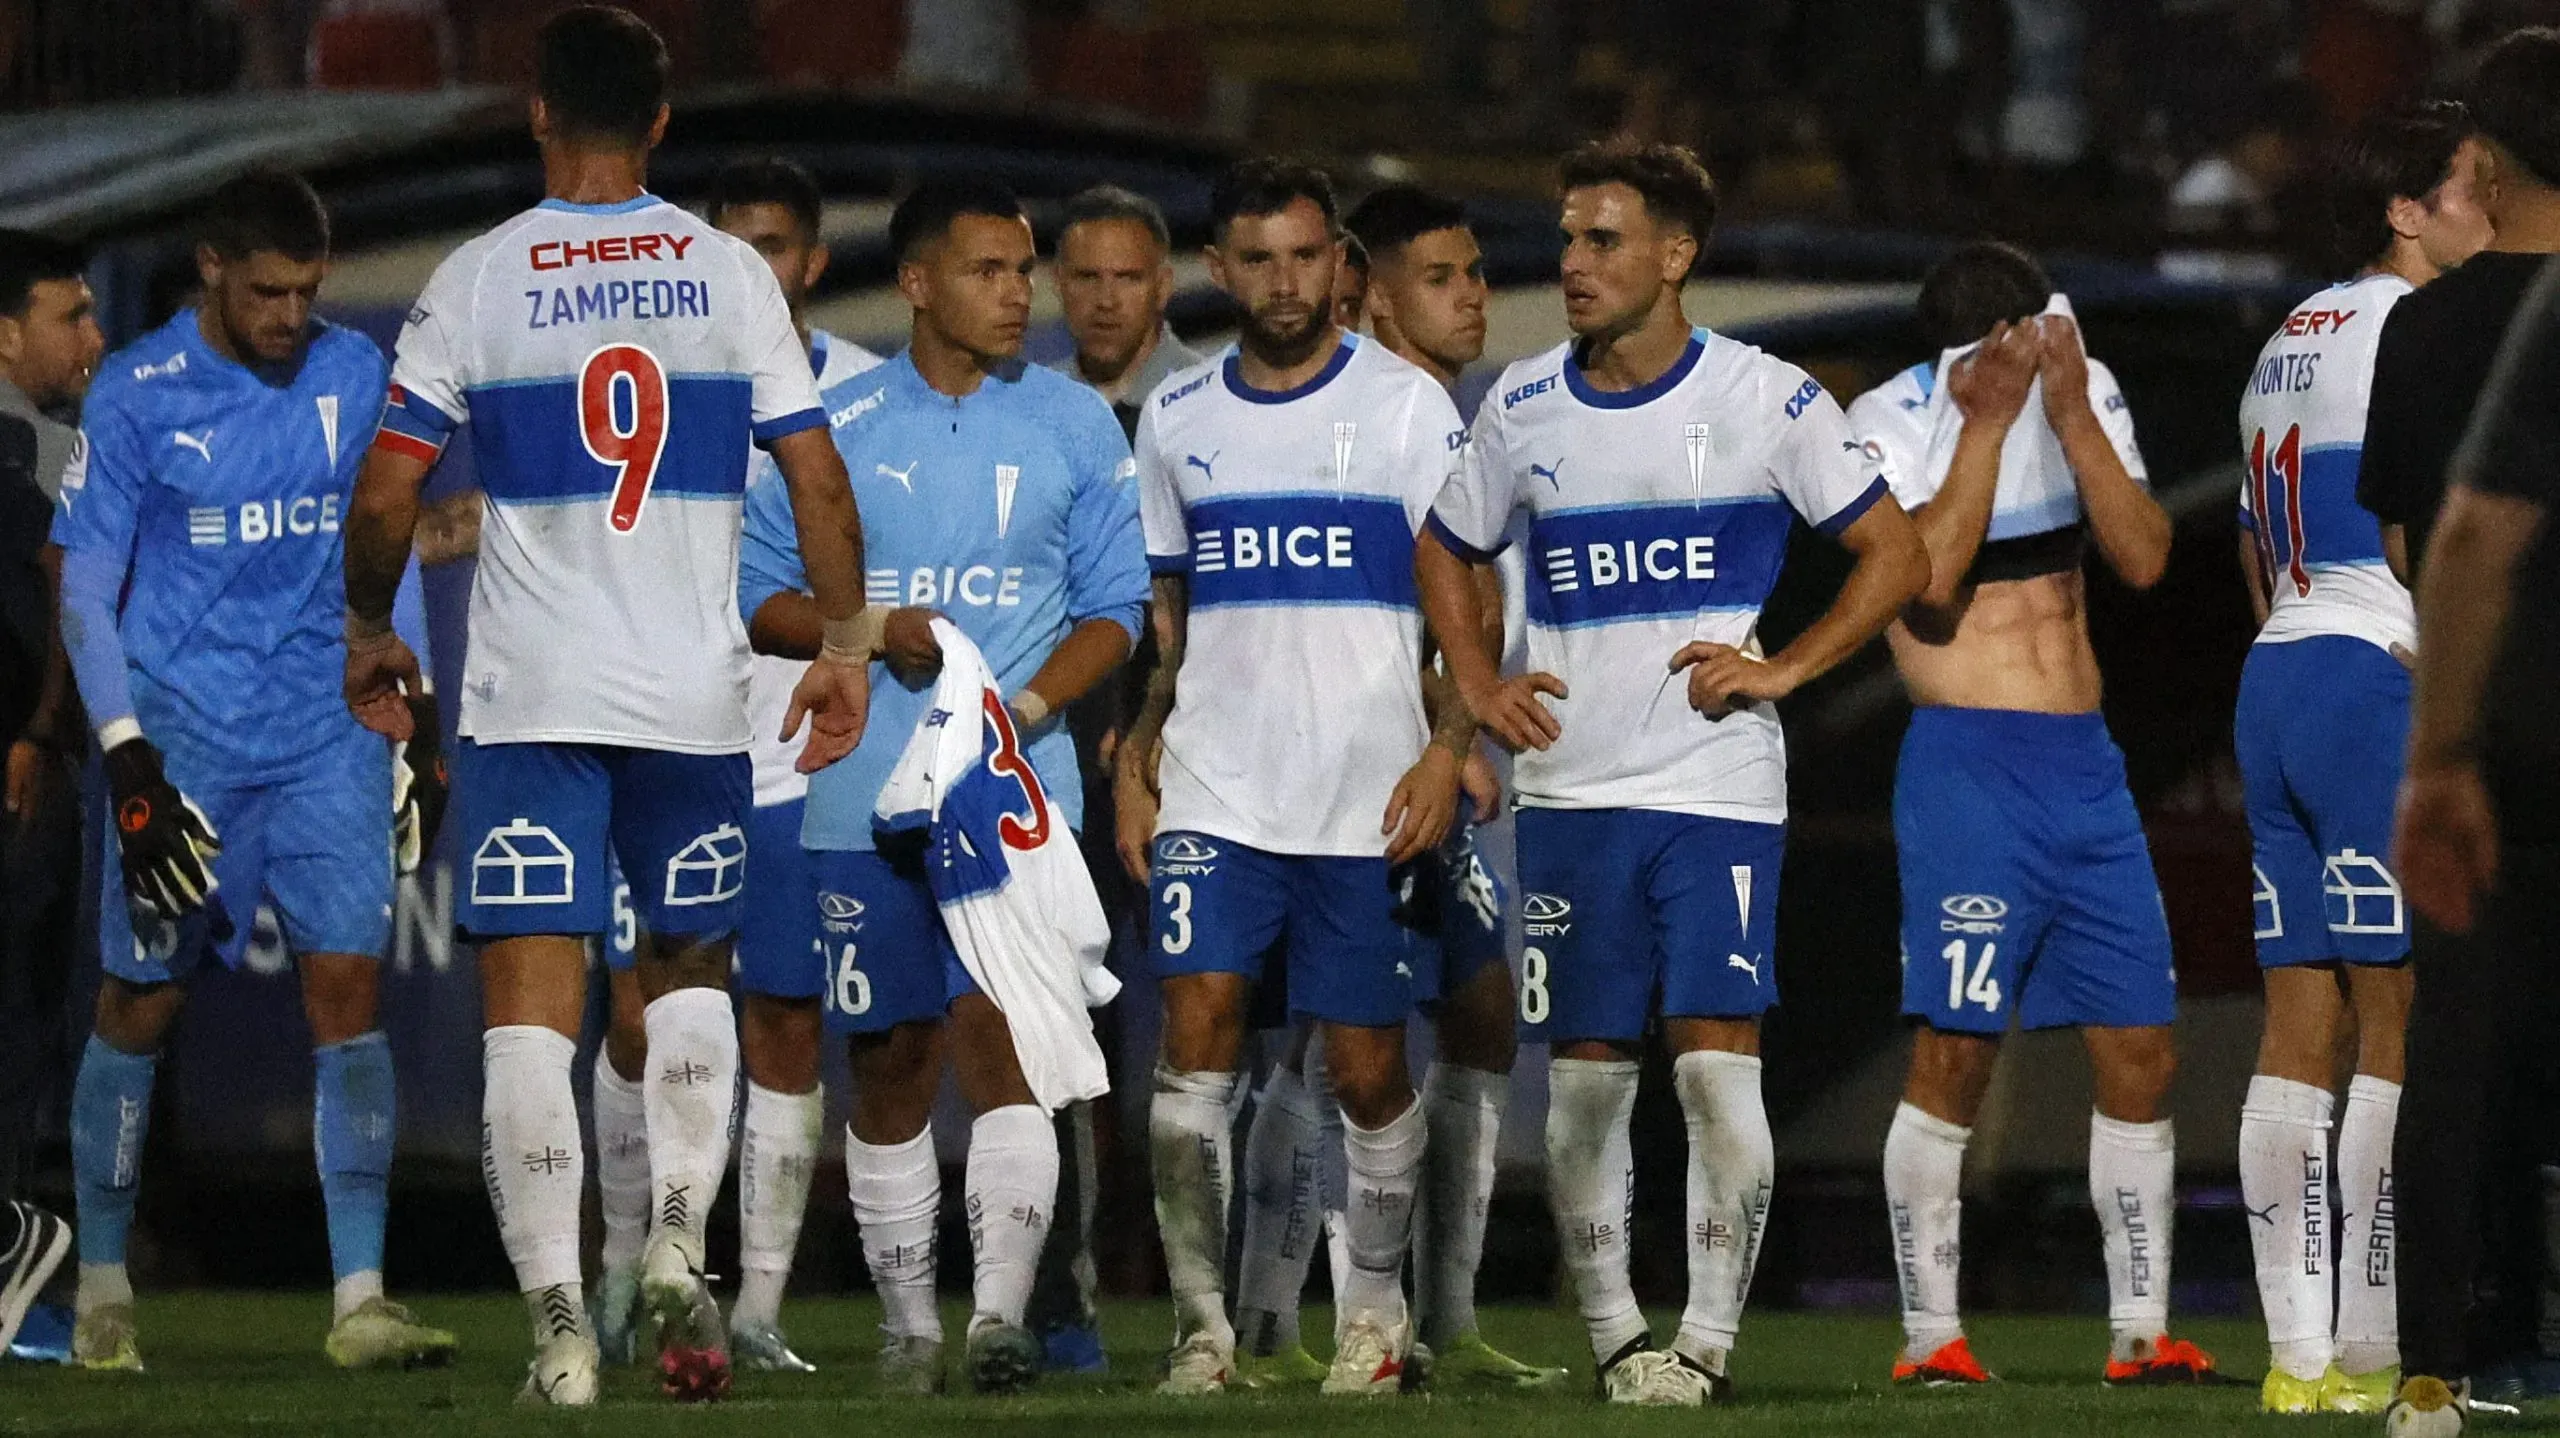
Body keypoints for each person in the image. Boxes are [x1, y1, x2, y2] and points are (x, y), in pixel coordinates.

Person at [337, 5, 876, 1406]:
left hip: (530, 698)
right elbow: (818, 483)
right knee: (691, 986)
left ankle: (562, 1331)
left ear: (532, 112)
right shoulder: (727, 275)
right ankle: (680, 1242)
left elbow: (391, 489)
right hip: (692, 700)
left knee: (533, 1008)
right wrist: (849, 648)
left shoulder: (476, 278)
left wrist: (364, 629)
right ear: (659, 122)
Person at [1416, 140, 1929, 1406]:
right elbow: (1444, 545)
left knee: (1715, 1063)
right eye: (1568, 238)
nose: (1572, 264)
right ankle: (1611, 1337)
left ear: (1675, 255)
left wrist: (1785, 668)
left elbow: (1896, 555)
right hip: (1574, 790)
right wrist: (1476, 684)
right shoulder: (1524, 403)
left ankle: (1702, 1343)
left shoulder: (1768, 398)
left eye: (1601, 241)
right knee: (1586, 1082)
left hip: (1715, 787)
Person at [739, 176, 1146, 1398]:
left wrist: (1019, 713)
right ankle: (911, 1325)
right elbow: (763, 600)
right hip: (856, 790)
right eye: (989, 270)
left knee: (1006, 1041)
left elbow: (1114, 611)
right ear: (916, 282)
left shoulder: (1077, 424)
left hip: (1014, 798)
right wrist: (868, 628)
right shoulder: (834, 423)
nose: (1020, 294)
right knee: (894, 1056)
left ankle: (998, 1323)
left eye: (1025, 270)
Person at [50, 171, 455, 1374]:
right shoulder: (135, 394)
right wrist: (126, 755)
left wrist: (412, 721)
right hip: (188, 743)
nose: (291, 314)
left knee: (346, 994)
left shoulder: (347, 371)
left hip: (326, 731)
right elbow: (83, 587)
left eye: (308, 291)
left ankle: (360, 1297)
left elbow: (383, 554)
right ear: (214, 268)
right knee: (142, 1000)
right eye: (269, 291)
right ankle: (106, 1288)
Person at [1117, 157, 1469, 1400]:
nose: (1284, 281)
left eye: (1307, 256)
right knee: (1196, 1028)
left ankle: (1374, 1319)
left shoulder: (1407, 411)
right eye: (1258, 258)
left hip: (1364, 795)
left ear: (1340, 268)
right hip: (1219, 789)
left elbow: (1455, 610)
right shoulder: (1177, 418)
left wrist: (1447, 748)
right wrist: (1138, 749)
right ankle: (1202, 1333)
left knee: (1368, 1071)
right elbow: (1170, 618)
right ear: (1220, 270)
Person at [1844, 241, 2205, 1390]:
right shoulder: (1888, 423)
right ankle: (1927, 1338)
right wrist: (1989, 425)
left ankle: (2141, 1336)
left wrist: (2070, 410)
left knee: (2142, 1047)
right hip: (1968, 766)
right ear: (1986, 346)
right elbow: (1932, 582)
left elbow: (2144, 556)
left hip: (2084, 768)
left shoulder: (2082, 386)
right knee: (1954, 1048)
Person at [1225, 182, 1559, 1392]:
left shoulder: (1447, 419)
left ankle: (1439, 1315)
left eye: (1479, 272)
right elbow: (1364, 614)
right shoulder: (1355, 412)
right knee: (1321, 1041)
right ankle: (1273, 1314)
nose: (1475, 295)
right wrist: (1444, 732)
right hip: (1332, 781)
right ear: (1368, 287)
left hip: (1424, 767)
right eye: (1445, 275)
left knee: (1467, 1016)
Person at [555, 155, 884, 1376]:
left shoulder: (861, 396)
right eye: (727, 241)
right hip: (659, 734)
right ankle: (623, 1263)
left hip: (795, 751)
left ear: (811, 261)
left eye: (773, 246)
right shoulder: (650, 376)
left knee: (787, 1024)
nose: (750, 265)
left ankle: (754, 1305)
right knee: (639, 1015)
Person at [2231, 100, 2492, 1418]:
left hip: (2277, 664)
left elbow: (2248, 541)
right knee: (2403, 1013)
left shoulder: (2289, 335)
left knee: (2298, 1016)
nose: (2488, 211)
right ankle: (2388, 1342)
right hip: (2369, 670)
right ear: (2406, 210)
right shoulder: (2419, 328)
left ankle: (2296, 1360)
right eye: (2466, 189)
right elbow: (2434, 527)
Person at [2381, 28, 2560, 1436]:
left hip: (2508, 735)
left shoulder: (2426, 325)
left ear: (2486, 166)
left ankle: (2435, 1364)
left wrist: (2440, 752)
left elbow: (2435, 538)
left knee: (2456, 1047)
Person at [1032, 182, 1201, 1375]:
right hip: (1052, 755)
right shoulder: (1026, 411)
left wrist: (1161, 722)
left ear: (1165, 281)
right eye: (1082, 278)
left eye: (1126, 278)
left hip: (1199, 757)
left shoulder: (1210, 404)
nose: (1103, 300)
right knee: (1061, 1036)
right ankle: (1063, 1297)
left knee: (1217, 1029)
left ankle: (1236, 1301)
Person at [0, 228, 102, 1359]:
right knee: (20, 1021)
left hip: (36, 758)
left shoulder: (55, 444)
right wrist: (39, 726)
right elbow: (59, 583)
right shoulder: (30, 450)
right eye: (70, 314)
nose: (94, 335)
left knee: (29, 1018)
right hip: (29, 764)